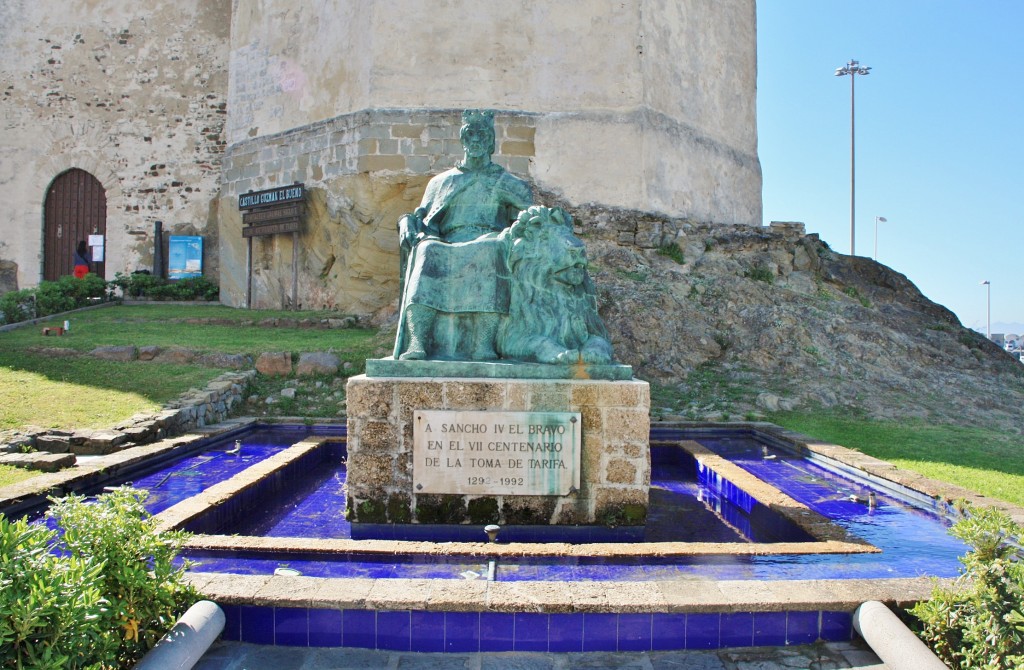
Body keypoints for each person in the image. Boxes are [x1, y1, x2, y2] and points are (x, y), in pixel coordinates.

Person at [394, 110, 533, 360]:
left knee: (490, 248)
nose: (476, 139)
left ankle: (484, 345)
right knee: (427, 250)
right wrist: (405, 221)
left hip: (489, 240)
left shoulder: (507, 182)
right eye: (470, 133)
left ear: (492, 141)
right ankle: (417, 342)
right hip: (447, 242)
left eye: (482, 134)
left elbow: (530, 220)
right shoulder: (440, 182)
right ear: (462, 139)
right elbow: (421, 217)